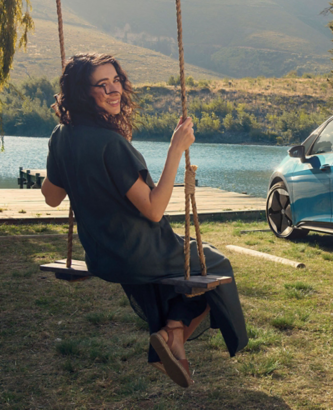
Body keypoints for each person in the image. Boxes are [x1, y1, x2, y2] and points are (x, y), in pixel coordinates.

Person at [41, 53, 248, 388]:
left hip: (102, 256)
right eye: (101, 85)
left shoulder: (61, 136)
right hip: (138, 251)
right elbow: (153, 209)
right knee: (215, 266)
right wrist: (175, 150)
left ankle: (174, 338)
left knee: (188, 270)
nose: (114, 91)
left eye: (116, 81)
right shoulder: (112, 144)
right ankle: (174, 333)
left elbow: (51, 196)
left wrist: (64, 162)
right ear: (82, 92)